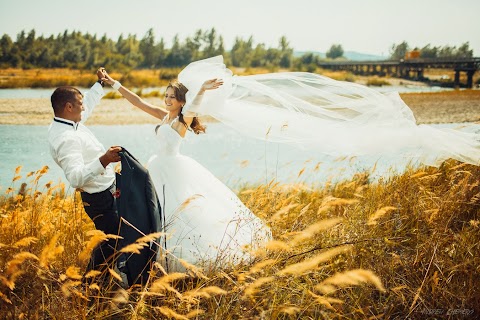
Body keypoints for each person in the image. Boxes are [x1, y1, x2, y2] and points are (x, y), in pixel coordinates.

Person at [99, 69, 270, 271]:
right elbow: (137, 101)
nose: (168, 99)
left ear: (181, 101)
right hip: (157, 168)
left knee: (177, 211)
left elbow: (193, 106)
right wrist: (114, 83)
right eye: (166, 95)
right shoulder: (164, 117)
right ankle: (157, 255)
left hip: (172, 170)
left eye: (173, 97)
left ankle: (178, 258)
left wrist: (202, 91)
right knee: (157, 212)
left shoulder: (182, 120)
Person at [48, 69, 126, 284]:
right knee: (113, 241)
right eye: (79, 104)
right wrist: (105, 159)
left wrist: (99, 84)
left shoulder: (70, 121)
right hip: (99, 199)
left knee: (116, 237)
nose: (84, 107)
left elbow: (88, 104)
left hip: (108, 190)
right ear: (69, 107)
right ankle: (89, 285)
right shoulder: (66, 138)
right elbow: (75, 178)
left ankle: (106, 281)